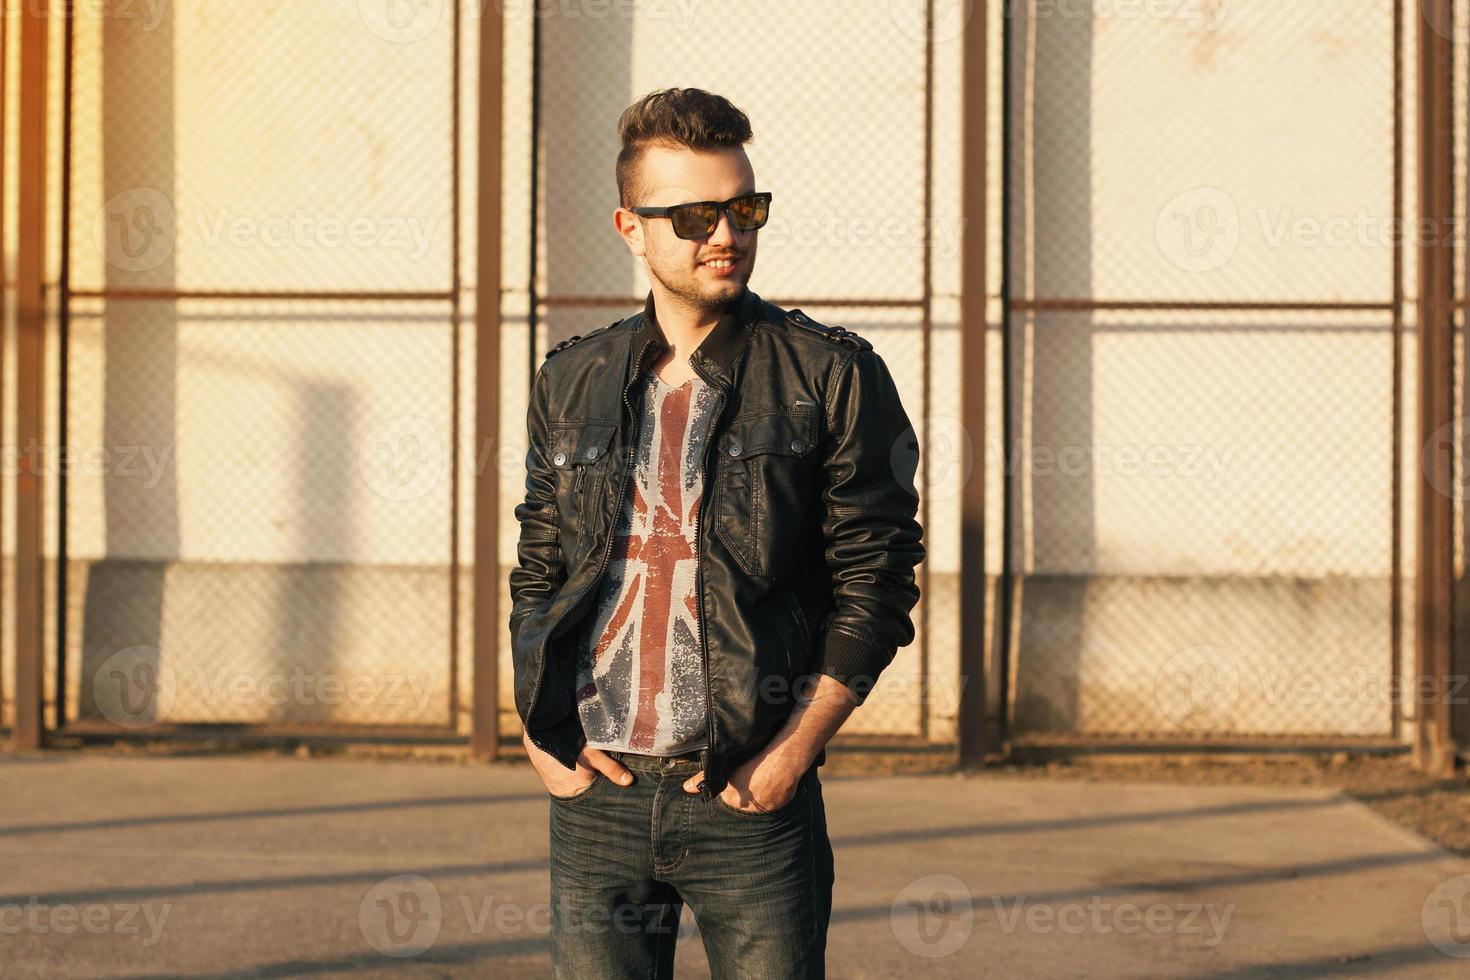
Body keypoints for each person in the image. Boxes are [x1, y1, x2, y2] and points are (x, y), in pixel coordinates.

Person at [508, 86, 925, 979]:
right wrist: (539, 730)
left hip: (746, 793)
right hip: (597, 792)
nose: (725, 234)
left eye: (745, 208)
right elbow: (540, 563)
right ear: (630, 227)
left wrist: (788, 757)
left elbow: (878, 583)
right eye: (695, 215)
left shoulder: (831, 376)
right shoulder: (570, 380)